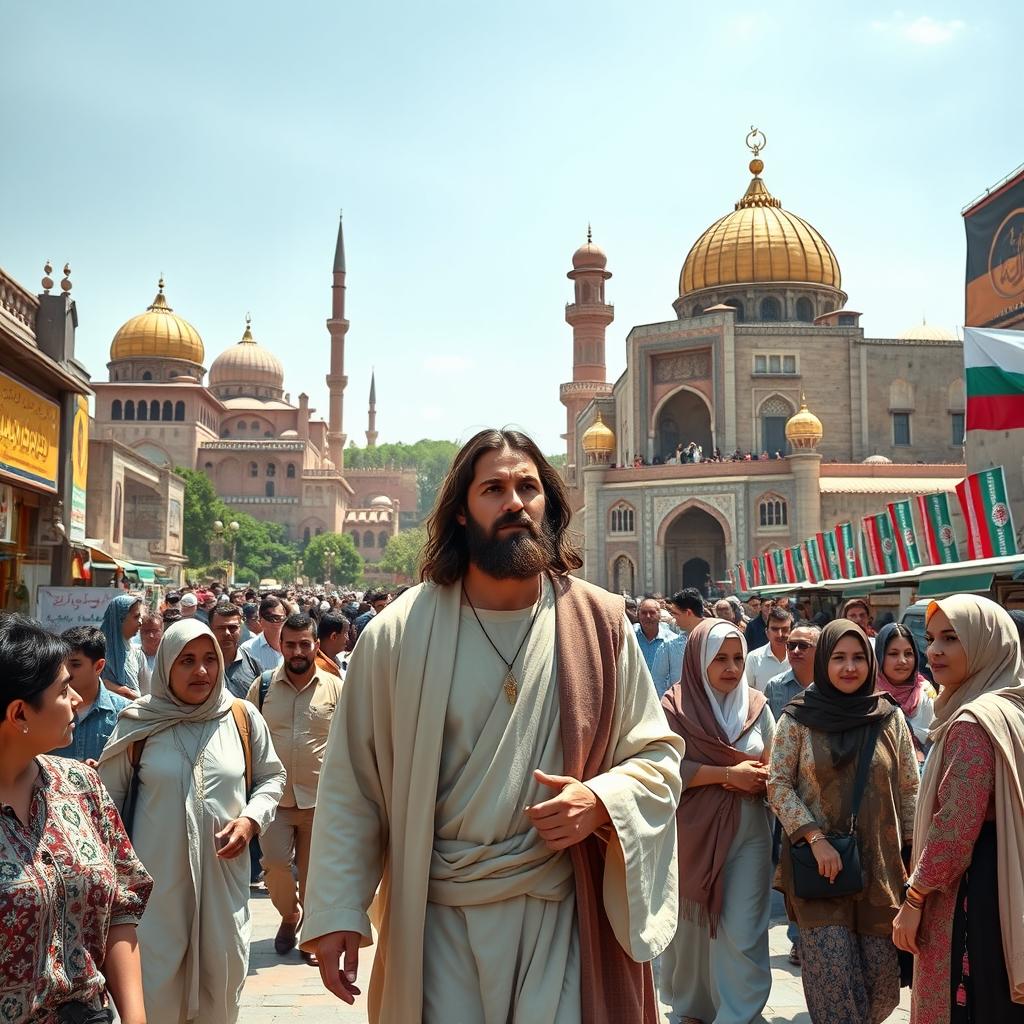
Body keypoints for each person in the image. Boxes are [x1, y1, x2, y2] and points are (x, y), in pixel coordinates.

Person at [299, 428, 683, 1023]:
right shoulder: (398, 634)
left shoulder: (600, 624)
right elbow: (354, 784)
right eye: (494, 488)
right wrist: (336, 911)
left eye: (528, 487)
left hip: (562, 913)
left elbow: (657, 756)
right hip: (439, 919)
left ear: (549, 507)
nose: (514, 502)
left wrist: (601, 800)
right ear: (459, 511)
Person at [98, 619, 286, 1024]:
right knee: (154, 994)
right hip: (155, 896)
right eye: (186, 661)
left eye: (208, 660)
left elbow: (273, 776)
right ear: (166, 666)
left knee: (221, 990)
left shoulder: (241, 717)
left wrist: (251, 820)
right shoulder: (138, 723)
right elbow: (105, 806)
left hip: (224, 887)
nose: (201, 671)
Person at [0, 614, 152, 1024]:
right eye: (64, 690)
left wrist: (135, 1019)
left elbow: (120, 908)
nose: (78, 701)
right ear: (19, 713)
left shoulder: (81, 785)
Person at [768, 619, 918, 1024]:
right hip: (821, 874)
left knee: (883, 991)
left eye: (858, 658)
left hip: (881, 872)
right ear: (824, 663)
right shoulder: (797, 718)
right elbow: (777, 783)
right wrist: (814, 838)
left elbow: (909, 789)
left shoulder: (888, 717)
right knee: (835, 994)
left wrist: (914, 858)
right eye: (838, 658)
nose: (849, 667)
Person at [892, 595, 1024, 1023]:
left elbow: (953, 830)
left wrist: (913, 900)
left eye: (951, 638)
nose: (934, 652)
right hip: (1008, 879)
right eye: (930, 639)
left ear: (987, 643)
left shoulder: (972, 722)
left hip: (973, 895)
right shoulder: (1013, 708)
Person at [660, 620, 775, 1024]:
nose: (731, 668)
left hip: (748, 832)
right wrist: (728, 775)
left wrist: (761, 779)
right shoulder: (673, 709)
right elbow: (662, 770)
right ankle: (693, 1009)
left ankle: (737, 1015)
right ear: (698, 661)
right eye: (720, 658)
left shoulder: (758, 707)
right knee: (691, 931)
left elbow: (776, 767)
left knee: (742, 932)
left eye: (738, 658)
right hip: (692, 833)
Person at [247, 612, 342, 964]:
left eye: (305, 644)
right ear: (280, 646)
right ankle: (289, 914)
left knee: (315, 874)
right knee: (274, 867)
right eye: (291, 645)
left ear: (316, 645)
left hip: (320, 801)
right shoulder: (263, 686)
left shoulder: (336, 687)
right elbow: (248, 737)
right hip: (274, 800)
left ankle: (312, 939)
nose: (298, 651)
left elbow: (348, 742)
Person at [53, 625, 131, 765]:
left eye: (75, 665)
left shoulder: (124, 713)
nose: (65, 672)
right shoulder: (47, 708)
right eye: (61, 665)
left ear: (99, 666)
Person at [873, 623, 935, 764]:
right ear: (880, 656)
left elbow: (932, 739)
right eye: (893, 654)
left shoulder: (925, 691)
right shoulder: (870, 693)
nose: (902, 661)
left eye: (908, 654)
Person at [651, 588, 704, 698]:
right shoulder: (669, 646)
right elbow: (657, 681)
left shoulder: (718, 639)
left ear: (688, 613)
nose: (673, 618)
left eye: (676, 613)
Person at [210, 603, 263, 699]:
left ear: (240, 629)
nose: (227, 633)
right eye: (221, 628)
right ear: (210, 629)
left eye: (232, 628)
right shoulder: (201, 665)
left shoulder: (253, 665)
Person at [100, 594, 149, 698]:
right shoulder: (97, 652)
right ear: (120, 619)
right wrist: (114, 689)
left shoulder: (137, 653)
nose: (140, 622)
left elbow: (147, 694)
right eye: (136, 617)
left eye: (140, 617)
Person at [745, 605, 793, 691]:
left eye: (785, 629)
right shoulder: (754, 658)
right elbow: (748, 691)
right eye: (775, 629)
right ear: (767, 632)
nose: (779, 635)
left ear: (792, 632)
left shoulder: (798, 657)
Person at [240, 596, 286, 672]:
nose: (276, 623)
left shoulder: (295, 645)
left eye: (280, 618)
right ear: (261, 621)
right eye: (271, 618)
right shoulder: (247, 650)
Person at [634, 594, 673, 675]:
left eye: (652, 613)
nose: (648, 616)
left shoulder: (672, 640)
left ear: (659, 615)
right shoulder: (631, 637)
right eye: (644, 613)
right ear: (638, 615)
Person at [138, 611, 163, 677]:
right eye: (146, 631)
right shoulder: (132, 656)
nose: (151, 635)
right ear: (140, 632)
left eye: (155, 631)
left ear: (162, 632)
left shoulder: (167, 657)